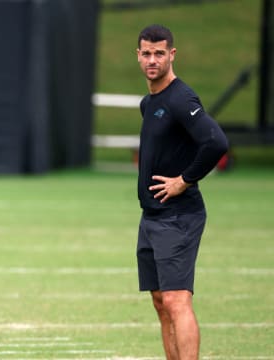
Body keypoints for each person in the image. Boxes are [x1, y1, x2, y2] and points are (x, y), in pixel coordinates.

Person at [136, 24, 228, 360]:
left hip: (179, 216)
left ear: (172, 55)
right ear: (138, 55)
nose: (152, 59)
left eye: (159, 53)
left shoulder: (180, 98)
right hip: (152, 216)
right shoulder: (150, 103)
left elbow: (216, 142)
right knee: (161, 302)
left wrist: (184, 180)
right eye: (146, 53)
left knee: (176, 300)